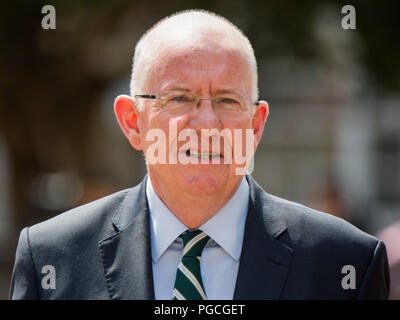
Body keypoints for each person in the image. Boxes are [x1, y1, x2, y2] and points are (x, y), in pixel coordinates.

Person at [10, 9, 389, 300]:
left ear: (255, 126)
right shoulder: (52, 257)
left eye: (227, 99)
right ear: (132, 122)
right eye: (179, 98)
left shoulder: (344, 262)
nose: (207, 123)